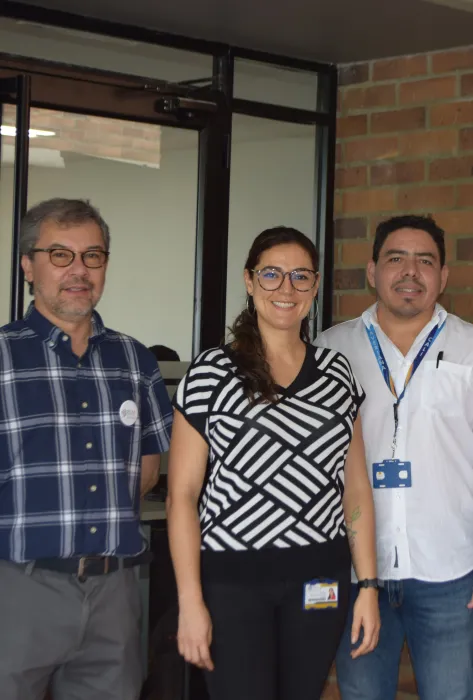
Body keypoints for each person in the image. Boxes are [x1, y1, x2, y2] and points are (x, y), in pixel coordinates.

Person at [166, 226, 380, 700]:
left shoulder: (337, 373)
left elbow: (355, 487)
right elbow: (182, 495)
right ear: (249, 280)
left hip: (320, 580)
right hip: (231, 585)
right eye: (271, 274)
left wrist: (367, 584)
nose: (287, 288)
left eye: (301, 276)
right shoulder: (210, 372)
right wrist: (189, 600)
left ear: (315, 285)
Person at [0, 198, 173, 700]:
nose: (79, 270)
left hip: (113, 593)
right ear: (27, 266)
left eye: (92, 256)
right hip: (17, 588)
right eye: (60, 255)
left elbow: (147, 471)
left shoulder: (134, 360)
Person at [315, 214, 473, 700]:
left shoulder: (470, 347)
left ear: (443, 275)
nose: (410, 271)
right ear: (372, 271)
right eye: (396, 258)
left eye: (425, 261)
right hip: (357, 572)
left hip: (451, 572)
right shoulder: (329, 350)